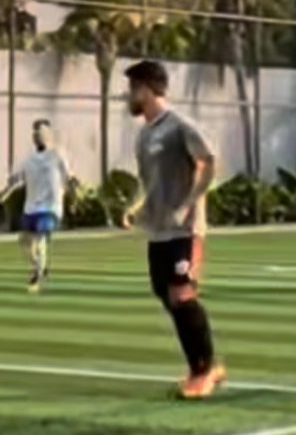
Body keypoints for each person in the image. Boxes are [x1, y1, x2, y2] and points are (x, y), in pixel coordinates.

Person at [122, 60, 225, 400]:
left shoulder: (179, 125)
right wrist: (136, 207)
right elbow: (149, 182)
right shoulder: (144, 135)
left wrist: (189, 202)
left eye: (133, 88)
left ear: (148, 89)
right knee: (166, 295)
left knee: (182, 295)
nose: (129, 95)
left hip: (185, 230)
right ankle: (204, 363)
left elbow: (208, 161)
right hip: (160, 231)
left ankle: (203, 371)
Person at [0, 119, 76, 292]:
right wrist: (6, 189)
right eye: (35, 132)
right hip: (31, 208)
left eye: (41, 131)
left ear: (48, 134)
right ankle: (39, 266)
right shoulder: (28, 160)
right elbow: (16, 179)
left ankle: (36, 277)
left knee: (40, 237)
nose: (38, 135)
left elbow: (69, 177)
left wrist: (74, 196)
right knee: (24, 242)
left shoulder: (57, 155)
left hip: (50, 208)